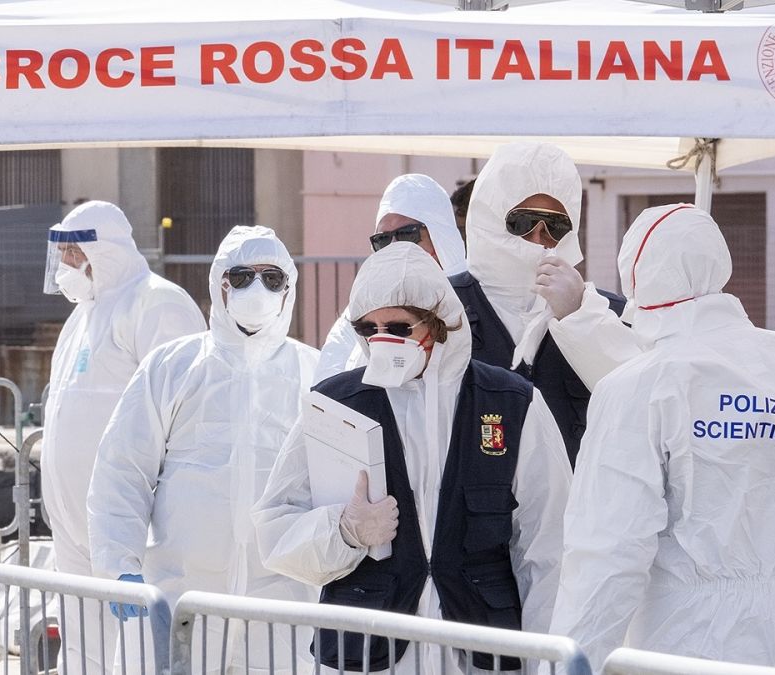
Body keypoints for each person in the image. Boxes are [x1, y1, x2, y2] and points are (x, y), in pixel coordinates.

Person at [549, 204, 775, 674]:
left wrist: (569, 663)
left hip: (688, 642)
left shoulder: (639, 384)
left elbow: (607, 554)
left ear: (635, 280)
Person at [254, 242, 570, 674]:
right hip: (366, 655)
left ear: (439, 324)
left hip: (479, 654)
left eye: (399, 327)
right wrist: (345, 531)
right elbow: (275, 529)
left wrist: (545, 663)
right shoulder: (334, 405)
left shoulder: (512, 403)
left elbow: (547, 545)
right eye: (368, 328)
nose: (381, 340)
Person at [87, 225, 318, 674]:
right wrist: (120, 566)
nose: (258, 288)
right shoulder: (173, 365)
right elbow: (123, 470)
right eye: (244, 276)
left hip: (282, 602)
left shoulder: (313, 373)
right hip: (181, 595)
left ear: (288, 288)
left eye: (272, 279)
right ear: (221, 284)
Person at [41, 200, 205, 673]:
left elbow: (182, 418)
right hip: (73, 527)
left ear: (103, 251)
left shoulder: (158, 303)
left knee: (135, 655)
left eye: (73, 253)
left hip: (131, 527)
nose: (65, 265)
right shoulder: (80, 317)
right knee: (82, 650)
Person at [455, 142, 640, 467]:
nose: (538, 239)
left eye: (556, 226)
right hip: (476, 511)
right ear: (489, 215)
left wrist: (581, 319)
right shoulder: (443, 307)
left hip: (576, 509)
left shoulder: (610, 314)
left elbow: (643, 406)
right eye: (521, 222)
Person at [315, 173, 467, 382]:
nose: (396, 248)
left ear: (440, 235)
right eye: (383, 239)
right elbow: (328, 389)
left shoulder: (474, 303)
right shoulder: (361, 314)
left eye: (407, 234)